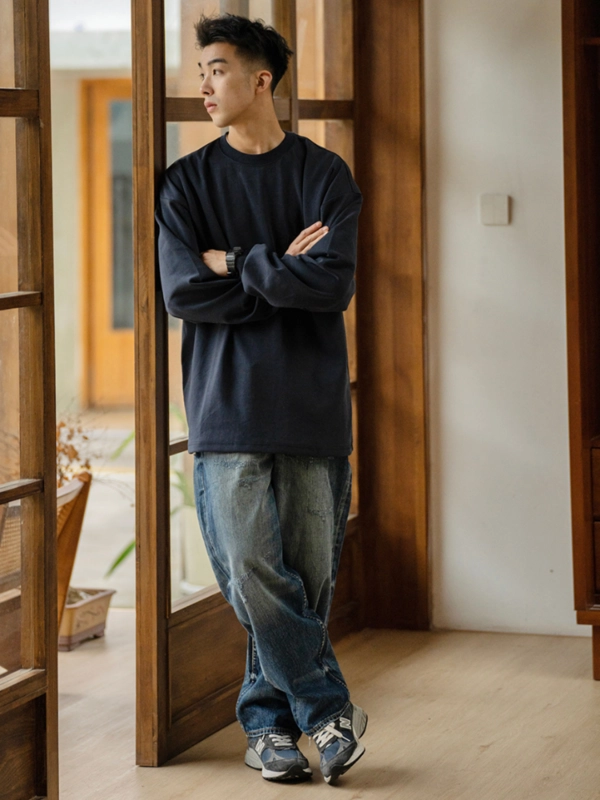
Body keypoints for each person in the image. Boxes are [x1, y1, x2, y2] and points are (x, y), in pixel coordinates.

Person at [155, 12, 366, 786]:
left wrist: (239, 260)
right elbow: (185, 292)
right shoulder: (185, 184)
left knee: (306, 586)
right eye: (201, 72)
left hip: (312, 410)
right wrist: (280, 271)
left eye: (217, 70)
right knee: (250, 572)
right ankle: (329, 713)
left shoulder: (325, 176)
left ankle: (268, 729)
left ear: (261, 79)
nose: (204, 86)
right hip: (226, 408)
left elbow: (332, 286)